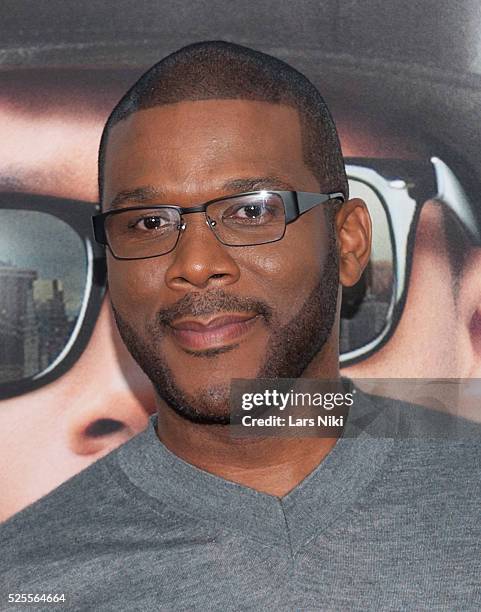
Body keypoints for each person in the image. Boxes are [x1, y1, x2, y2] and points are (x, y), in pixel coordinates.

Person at [1, 42, 479, 611]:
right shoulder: (23, 583)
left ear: (351, 243)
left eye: (254, 210)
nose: (196, 265)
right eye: (147, 223)